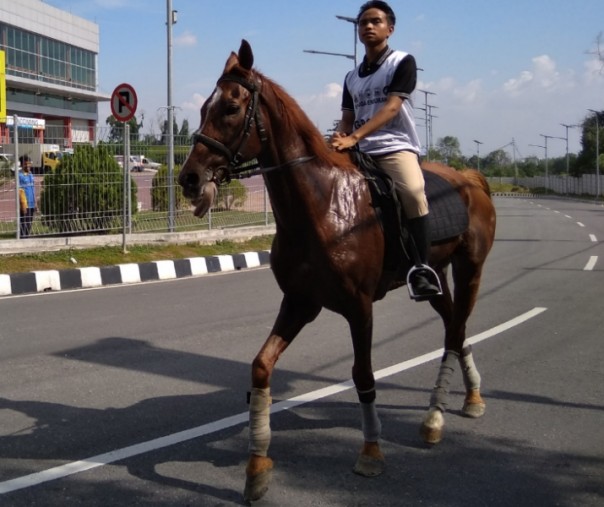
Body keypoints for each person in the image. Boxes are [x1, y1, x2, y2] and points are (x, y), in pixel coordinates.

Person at [331, 0, 441, 300]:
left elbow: (392, 108)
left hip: (394, 147)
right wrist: (341, 135)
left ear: (389, 29)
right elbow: (348, 118)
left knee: (414, 192)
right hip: (360, 149)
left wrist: (354, 138)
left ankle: (422, 268)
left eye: (375, 21)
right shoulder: (351, 77)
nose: (367, 26)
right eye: (362, 22)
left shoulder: (402, 62)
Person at [18, 155, 36, 237]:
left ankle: (27, 236)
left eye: (29, 164)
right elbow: (20, 191)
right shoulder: (20, 175)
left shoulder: (30, 174)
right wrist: (22, 204)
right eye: (26, 164)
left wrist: (35, 202)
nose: (28, 166)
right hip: (25, 204)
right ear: (22, 165)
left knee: (29, 222)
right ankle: (22, 237)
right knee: (24, 222)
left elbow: (33, 188)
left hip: (32, 203)